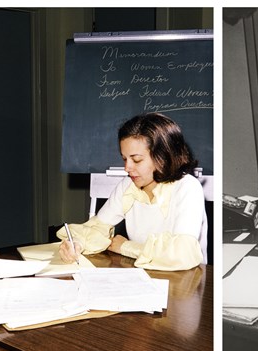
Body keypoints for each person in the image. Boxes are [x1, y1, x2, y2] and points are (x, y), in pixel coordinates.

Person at [57, 112, 207, 271]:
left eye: (136, 160)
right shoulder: (128, 186)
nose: (127, 168)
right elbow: (97, 227)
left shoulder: (188, 188)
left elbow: (181, 255)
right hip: (143, 277)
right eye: (124, 159)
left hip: (186, 282)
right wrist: (77, 245)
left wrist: (126, 247)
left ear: (162, 157)